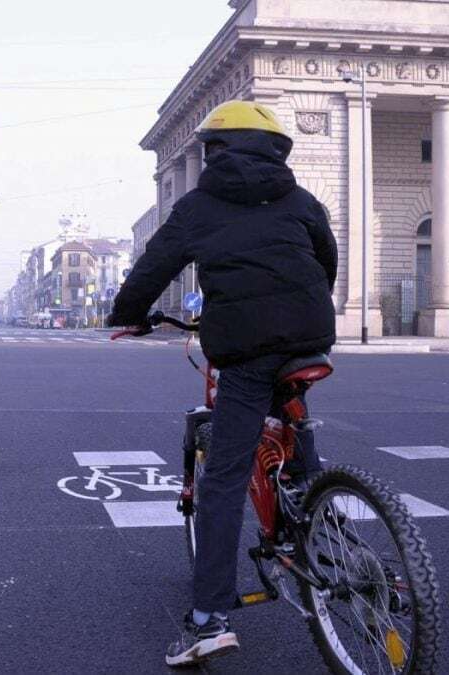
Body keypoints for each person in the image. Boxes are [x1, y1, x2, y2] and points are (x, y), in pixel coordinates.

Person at [107, 100, 336, 667]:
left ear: (215, 150)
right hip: (309, 333)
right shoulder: (301, 199)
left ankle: (209, 620)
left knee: (224, 481)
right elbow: (325, 259)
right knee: (290, 401)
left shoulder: (201, 204)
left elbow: (153, 266)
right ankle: (316, 500)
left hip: (245, 346)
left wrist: (127, 313)